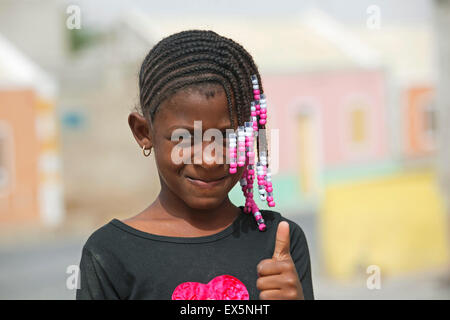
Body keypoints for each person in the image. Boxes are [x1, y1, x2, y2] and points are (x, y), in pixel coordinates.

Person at [76, 30, 314, 300]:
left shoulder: (279, 245)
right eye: (185, 138)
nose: (210, 159)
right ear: (144, 133)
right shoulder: (110, 254)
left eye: (229, 136)